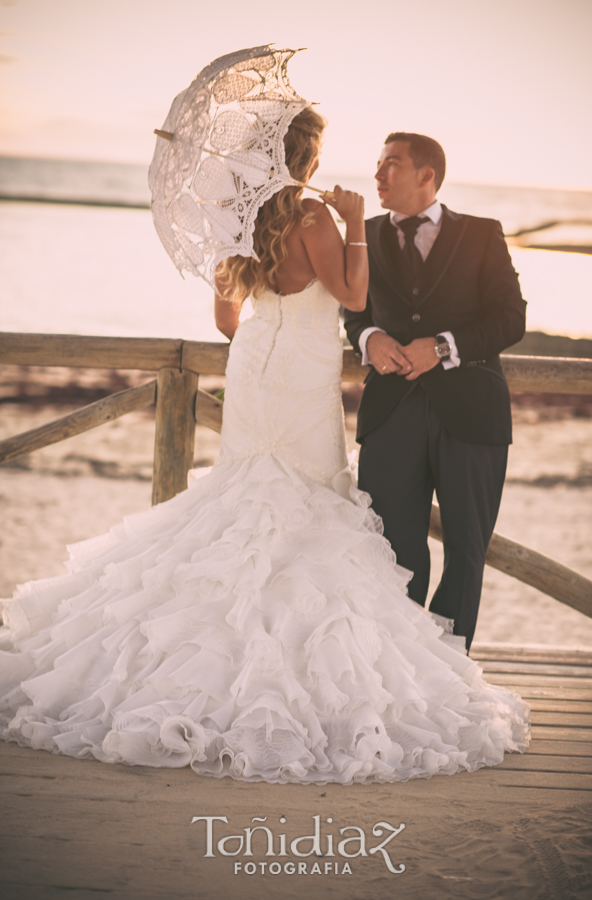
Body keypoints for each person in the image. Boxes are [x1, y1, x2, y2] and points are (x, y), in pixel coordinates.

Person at [0, 111, 529, 784]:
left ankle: (212, 647)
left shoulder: (241, 224)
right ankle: (340, 665)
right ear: (306, 158)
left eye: (388, 163)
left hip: (261, 365)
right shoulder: (323, 222)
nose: (371, 169)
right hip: (310, 377)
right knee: (322, 514)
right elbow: (355, 297)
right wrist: (357, 263)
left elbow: (227, 320)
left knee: (250, 502)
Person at [345, 133, 527, 653]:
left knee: (467, 551)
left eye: (392, 165)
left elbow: (511, 318)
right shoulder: (363, 233)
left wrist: (443, 347)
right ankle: (399, 671)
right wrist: (369, 336)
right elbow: (351, 309)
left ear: (427, 175)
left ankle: (447, 675)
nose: (379, 175)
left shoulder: (482, 234)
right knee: (391, 552)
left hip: (472, 414)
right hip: (391, 412)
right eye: (378, 164)